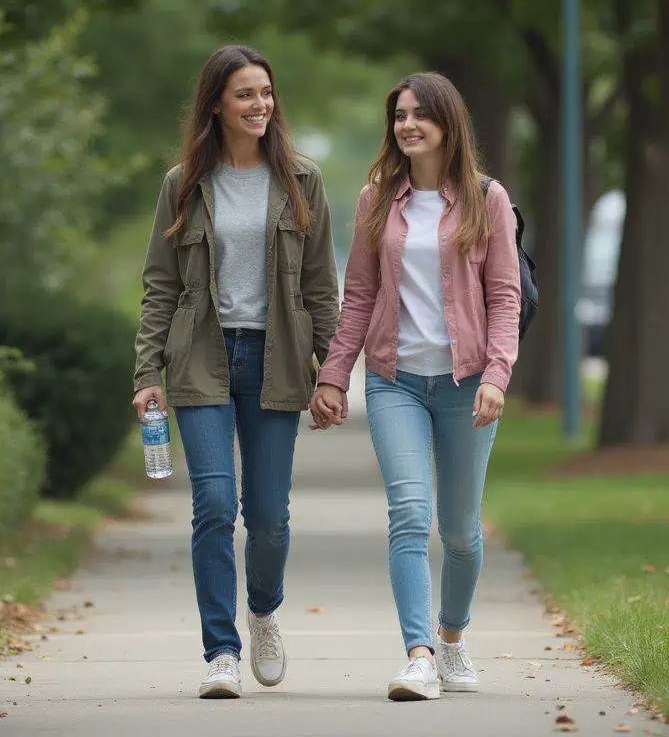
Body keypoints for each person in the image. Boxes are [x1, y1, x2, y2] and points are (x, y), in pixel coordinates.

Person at [132, 44, 340, 699]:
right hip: (202, 359)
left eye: (267, 94)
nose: (260, 105)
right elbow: (160, 286)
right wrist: (147, 370)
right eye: (246, 94)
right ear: (217, 102)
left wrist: (331, 373)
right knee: (215, 506)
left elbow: (319, 287)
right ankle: (221, 651)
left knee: (270, 516)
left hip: (276, 361)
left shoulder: (302, 182)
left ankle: (264, 611)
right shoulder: (183, 184)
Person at [310, 71, 521, 702]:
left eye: (419, 115)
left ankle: (451, 638)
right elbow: (360, 296)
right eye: (399, 115)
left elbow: (504, 297)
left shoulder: (488, 200)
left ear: (447, 123)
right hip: (394, 379)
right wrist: (333, 377)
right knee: (408, 514)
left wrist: (497, 377)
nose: (407, 125)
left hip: (465, 383)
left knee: (459, 530)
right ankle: (419, 655)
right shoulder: (378, 200)